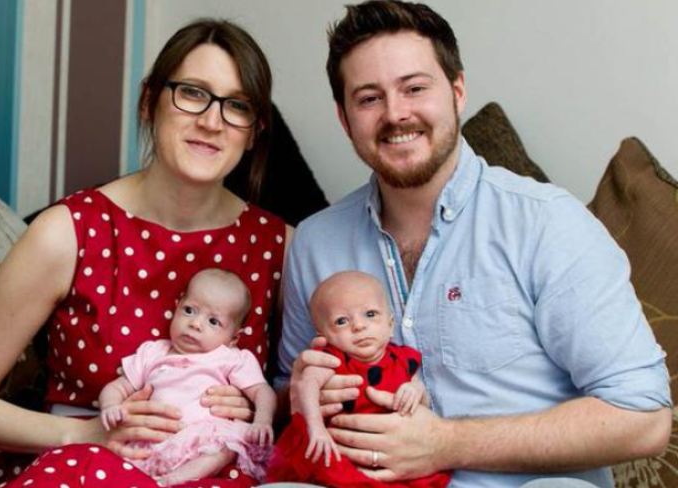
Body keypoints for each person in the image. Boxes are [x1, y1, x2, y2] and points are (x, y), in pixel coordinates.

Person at [276, 2, 672, 488]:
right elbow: (287, 394)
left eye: (415, 88)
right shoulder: (315, 242)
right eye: (368, 98)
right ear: (344, 118)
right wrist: (300, 392)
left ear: (457, 91)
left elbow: (644, 416)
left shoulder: (548, 222)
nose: (396, 113)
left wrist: (444, 443)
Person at [0, 18, 290, 488]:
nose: (212, 121)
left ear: (254, 131)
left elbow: (313, 382)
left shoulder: (280, 246)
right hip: (82, 471)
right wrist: (81, 432)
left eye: (237, 106)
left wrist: (260, 406)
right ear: (149, 100)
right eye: (192, 93)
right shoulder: (68, 232)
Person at [267, 271, 450, 488]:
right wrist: (316, 428)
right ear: (322, 333)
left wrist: (414, 390)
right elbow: (306, 385)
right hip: (341, 449)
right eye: (342, 321)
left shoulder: (402, 360)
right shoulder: (332, 360)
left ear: (390, 324)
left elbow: (422, 398)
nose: (359, 326)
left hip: (395, 451)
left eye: (370, 314)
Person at [99, 268, 276, 486]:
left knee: (226, 445)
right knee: (115, 460)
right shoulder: (153, 352)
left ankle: (176, 478)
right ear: (176, 308)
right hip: (153, 442)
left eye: (213, 321)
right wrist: (110, 406)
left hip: (203, 438)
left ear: (233, 338)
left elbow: (262, 391)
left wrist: (262, 420)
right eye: (190, 310)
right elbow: (118, 387)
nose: (196, 323)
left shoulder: (231, 358)